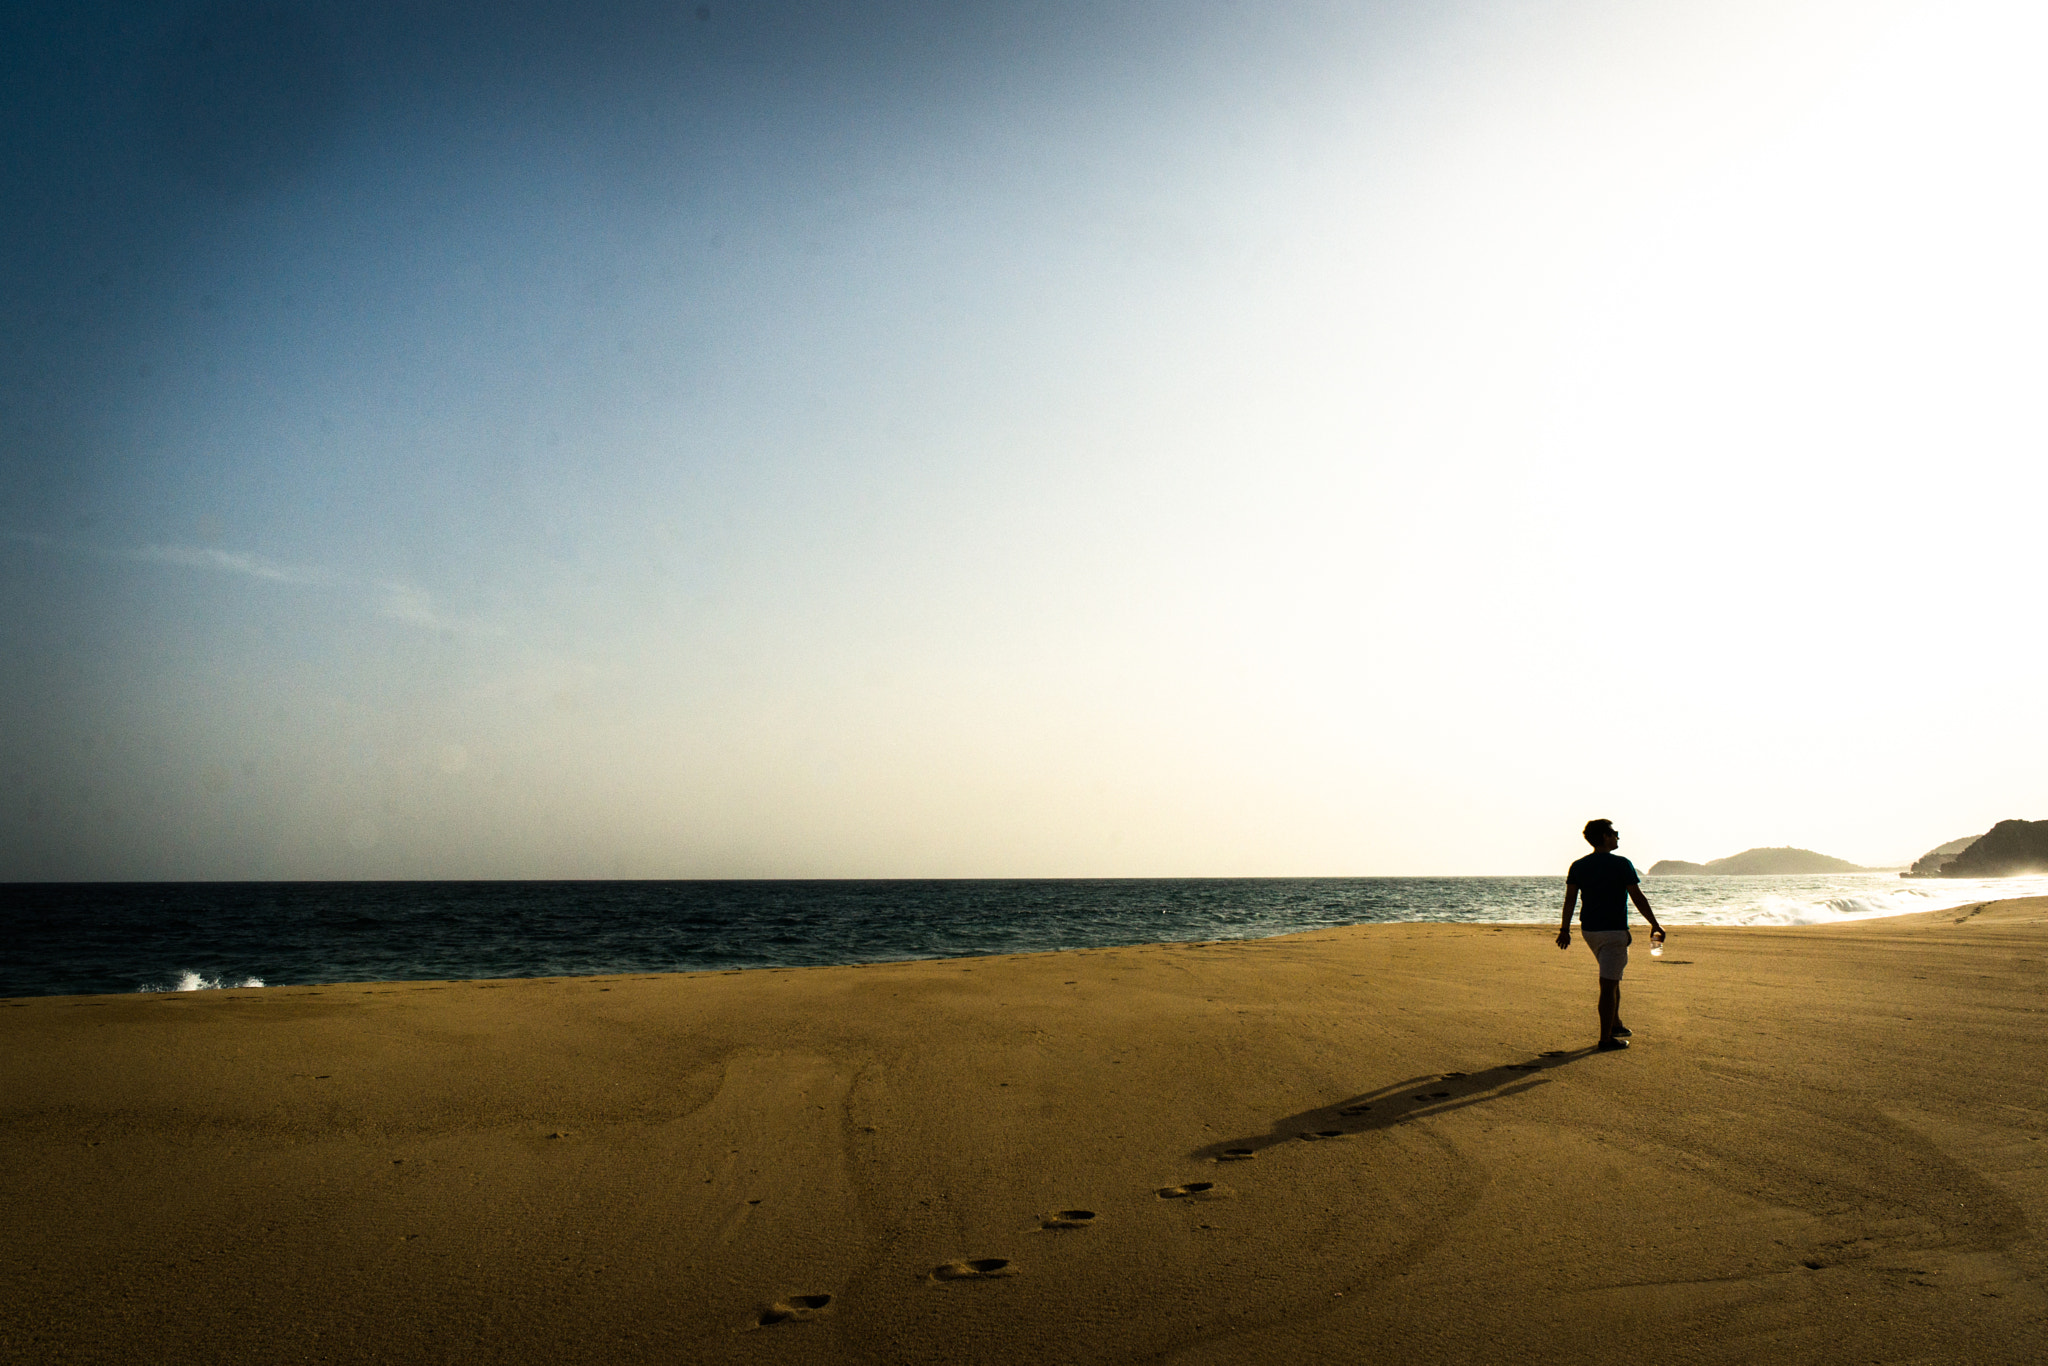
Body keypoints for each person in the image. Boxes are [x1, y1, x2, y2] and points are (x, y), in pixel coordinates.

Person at [1557, 818, 1666, 1050]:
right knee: (1608, 984)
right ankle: (1605, 1039)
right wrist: (1655, 924)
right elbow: (1637, 897)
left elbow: (1570, 901)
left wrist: (1565, 929)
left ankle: (1616, 1023)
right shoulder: (1622, 864)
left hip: (1589, 931)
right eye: (1614, 833)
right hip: (1613, 932)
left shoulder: (1578, 865)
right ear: (1605, 837)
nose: (1617, 836)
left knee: (1612, 976)